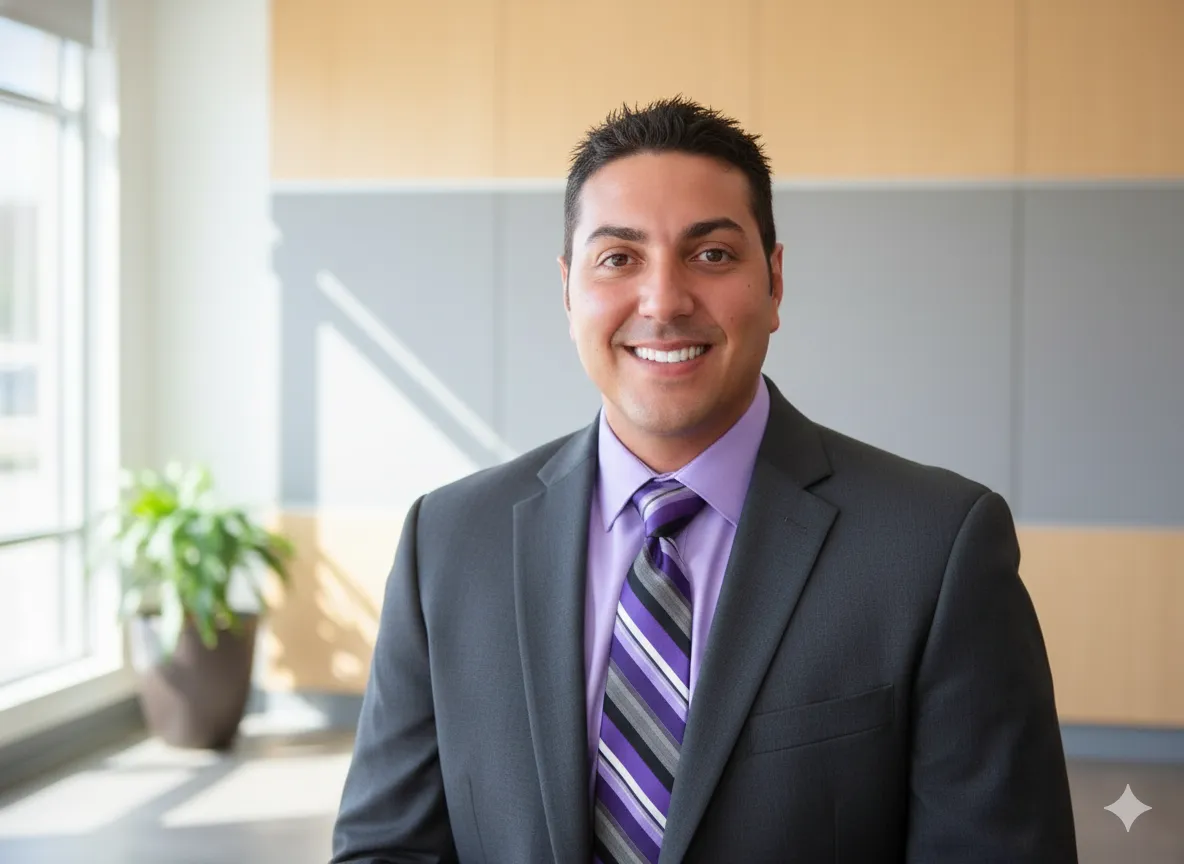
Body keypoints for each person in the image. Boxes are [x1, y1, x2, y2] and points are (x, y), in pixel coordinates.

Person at [330, 97, 1078, 863]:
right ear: (566, 290)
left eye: (712, 255)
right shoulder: (450, 542)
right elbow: (386, 848)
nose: (664, 301)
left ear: (775, 281)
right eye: (619, 258)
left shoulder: (936, 549)